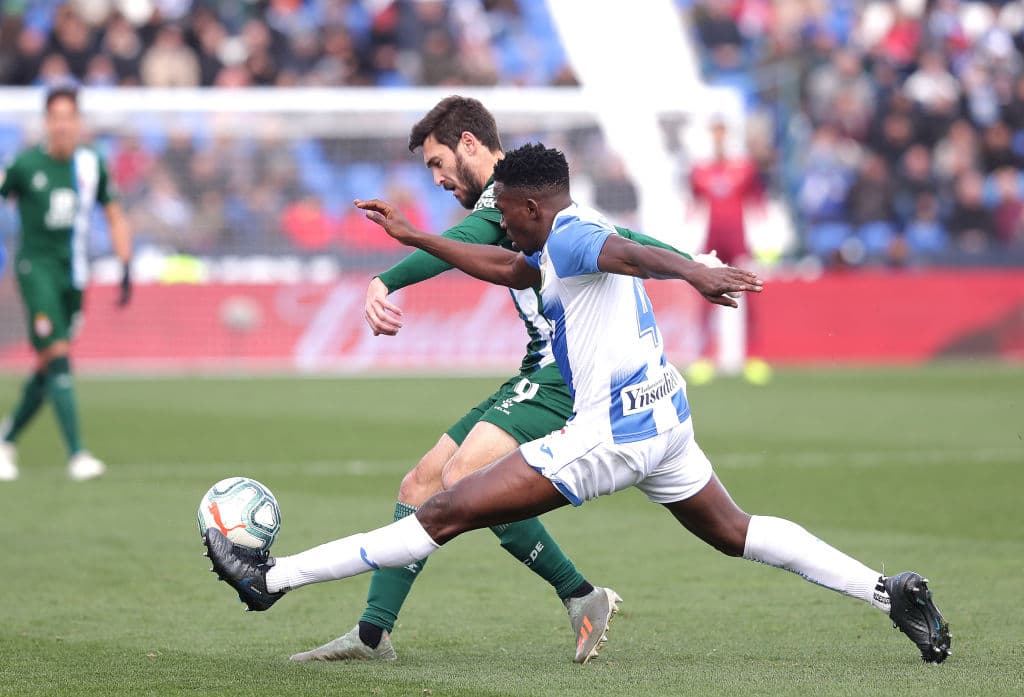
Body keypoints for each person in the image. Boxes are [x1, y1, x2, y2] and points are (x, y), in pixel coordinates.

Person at [204, 143, 952, 665]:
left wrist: (693, 272)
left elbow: (623, 253)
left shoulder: (570, 234)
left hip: (611, 435)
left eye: (506, 210)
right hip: (665, 418)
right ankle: (891, 593)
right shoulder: (551, 236)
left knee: (442, 508)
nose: (504, 222)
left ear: (531, 204)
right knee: (735, 529)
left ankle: (269, 581)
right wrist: (416, 237)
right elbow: (506, 264)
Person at [291, 96, 704, 664]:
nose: (435, 178)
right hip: (533, 370)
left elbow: (473, 244)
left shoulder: (509, 202)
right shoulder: (521, 199)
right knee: (420, 485)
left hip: (562, 376)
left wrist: (386, 280)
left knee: (466, 475)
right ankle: (371, 635)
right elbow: (627, 236)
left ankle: (582, 596)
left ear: (469, 144)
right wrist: (695, 266)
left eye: (437, 163)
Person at [0, 86, 133, 481]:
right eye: (54, 117)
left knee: (47, 364)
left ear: (78, 122)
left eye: (68, 117)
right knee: (58, 354)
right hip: (34, 270)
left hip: (73, 275)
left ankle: (6, 439)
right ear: (47, 122)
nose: (61, 125)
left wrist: (125, 263)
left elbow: (114, 213)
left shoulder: (91, 164)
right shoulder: (24, 164)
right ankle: (78, 454)